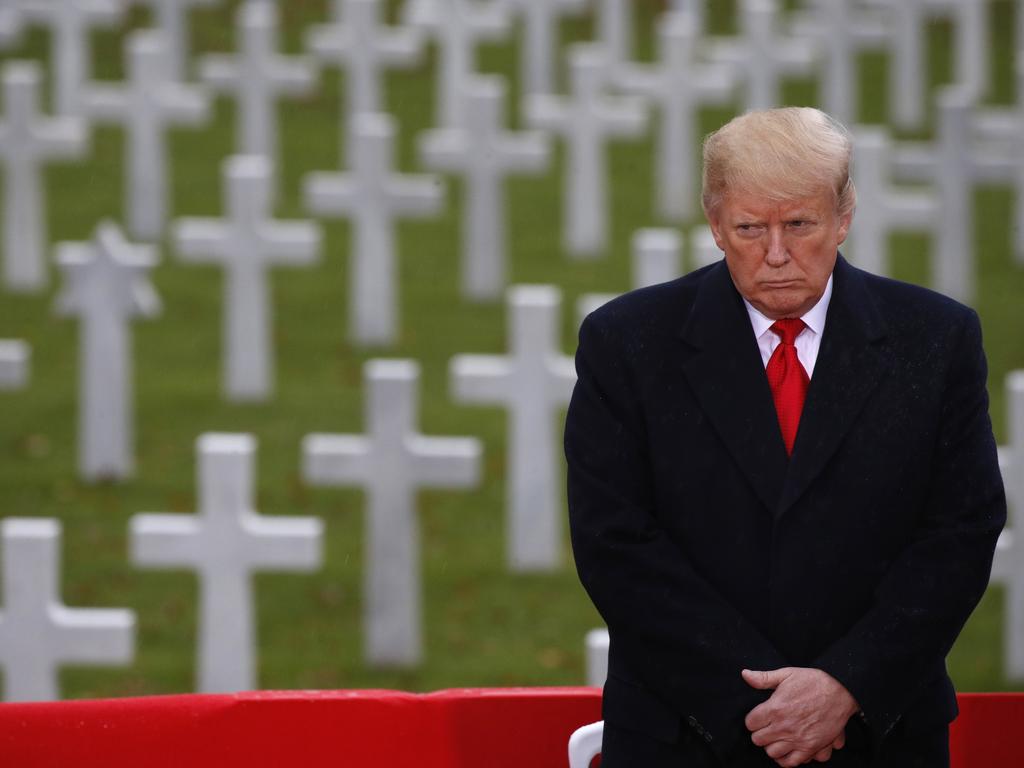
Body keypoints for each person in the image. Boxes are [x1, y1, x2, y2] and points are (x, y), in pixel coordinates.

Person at [564, 107, 1006, 767]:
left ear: (844, 217)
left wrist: (846, 684)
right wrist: (763, 707)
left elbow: (960, 531)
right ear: (715, 224)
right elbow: (615, 542)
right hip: (685, 734)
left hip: (879, 734)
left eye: (799, 224)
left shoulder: (936, 341)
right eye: (749, 228)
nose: (775, 254)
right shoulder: (626, 344)